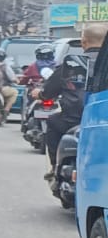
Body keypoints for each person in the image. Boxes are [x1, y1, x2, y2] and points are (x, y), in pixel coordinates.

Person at [41, 23, 105, 170]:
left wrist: (40, 94)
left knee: (52, 120)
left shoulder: (71, 64)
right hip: (103, 122)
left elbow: (48, 92)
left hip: (73, 121)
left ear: (84, 42)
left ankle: (55, 167)